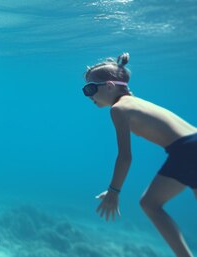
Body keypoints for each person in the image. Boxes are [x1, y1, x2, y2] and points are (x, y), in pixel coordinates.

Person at [83, 53, 196, 257]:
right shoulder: (134, 101)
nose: (89, 95)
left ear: (109, 86)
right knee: (150, 203)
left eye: (89, 88)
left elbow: (125, 157)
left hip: (187, 150)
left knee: (150, 204)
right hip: (192, 143)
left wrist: (113, 192)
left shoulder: (118, 109)